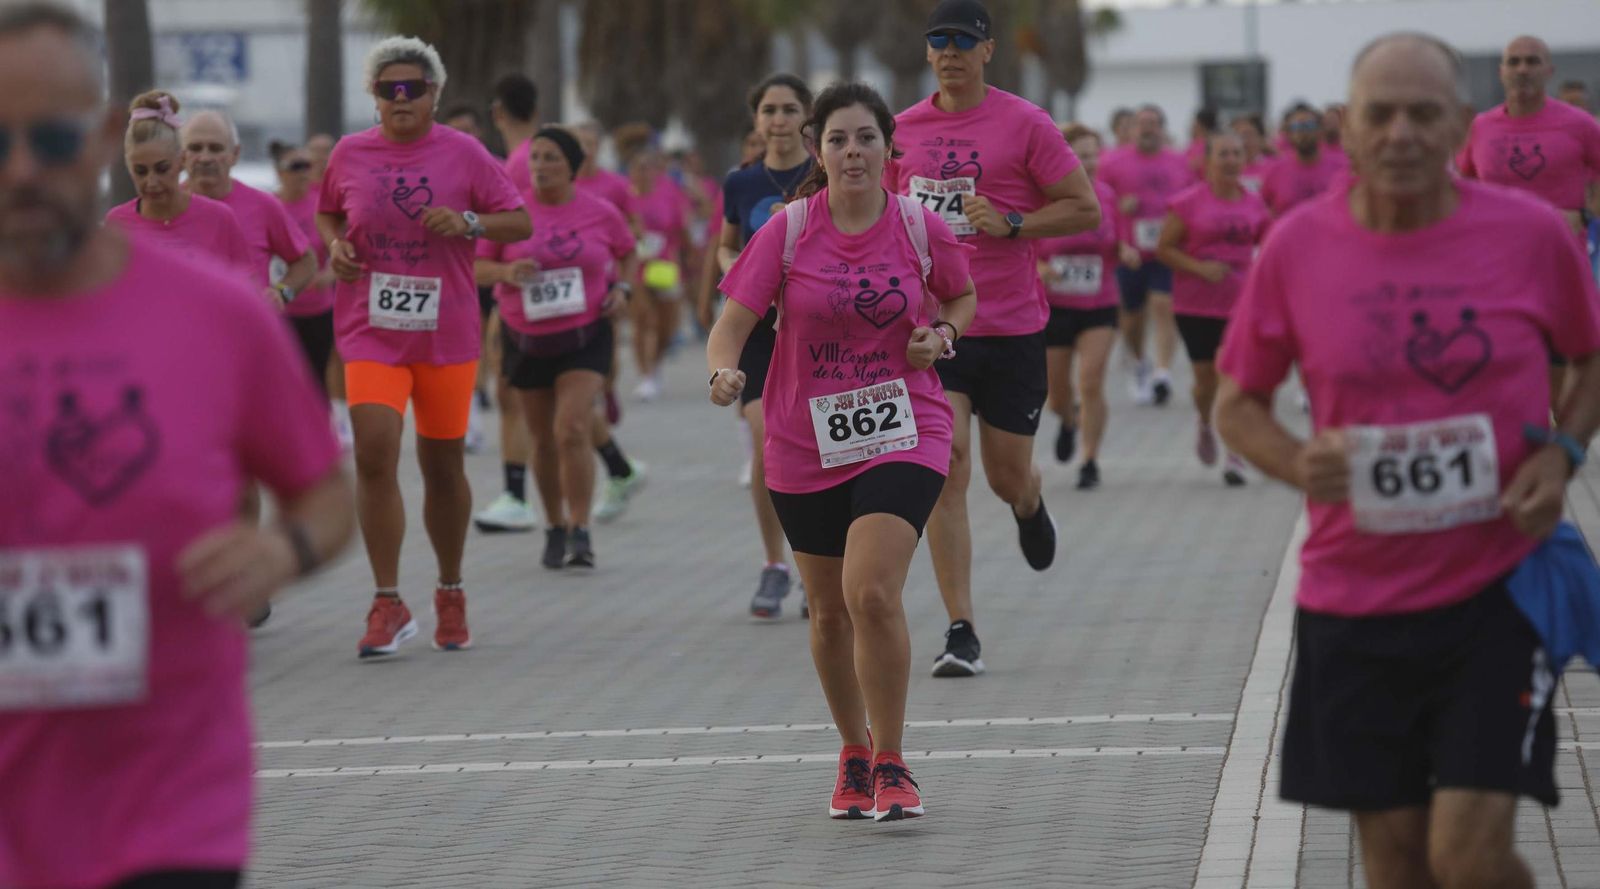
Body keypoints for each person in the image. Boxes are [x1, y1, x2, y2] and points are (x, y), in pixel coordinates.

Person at [1215, 32, 1600, 889]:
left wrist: (1565, 449)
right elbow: (1236, 405)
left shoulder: (1532, 234)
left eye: (1424, 114)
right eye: (1381, 114)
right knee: (1395, 863)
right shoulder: (1297, 248)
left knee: (1465, 858)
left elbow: (1589, 356)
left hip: (1500, 589)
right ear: (1349, 127)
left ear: (1460, 124)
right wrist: (1294, 460)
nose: (1401, 133)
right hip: (1354, 597)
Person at [0, 6, 355, 889]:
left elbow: (326, 490)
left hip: (170, 805)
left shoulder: (216, 314)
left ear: (103, 135)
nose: (21, 170)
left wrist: (284, 547)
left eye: (49, 137)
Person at [708, 81, 977, 821]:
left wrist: (942, 336)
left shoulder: (920, 226)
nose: (852, 151)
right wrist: (722, 371)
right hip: (805, 438)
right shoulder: (790, 230)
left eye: (865, 138)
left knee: (870, 591)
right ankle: (853, 753)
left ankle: (893, 759)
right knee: (827, 612)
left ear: (889, 148)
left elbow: (961, 296)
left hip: (904, 426)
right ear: (819, 153)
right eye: (838, 140)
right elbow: (730, 323)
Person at [888, 0, 1100, 676]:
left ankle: (1030, 504)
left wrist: (1013, 222)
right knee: (947, 466)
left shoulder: (1024, 123)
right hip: (935, 326)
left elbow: (1083, 206)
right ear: (926, 54)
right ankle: (960, 627)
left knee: (1008, 476)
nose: (949, 51)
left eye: (963, 40)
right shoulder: (901, 131)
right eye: (938, 41)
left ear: (987, 51)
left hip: (1010, 325)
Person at [315, 36, 530, 658]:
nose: (401, 99)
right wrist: (335, 246)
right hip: (370, 330)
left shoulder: (463, 153)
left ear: (434, 94)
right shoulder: (350, 153)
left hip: (446, 332)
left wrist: (469, 223)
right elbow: (329, 214)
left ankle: (450, 589)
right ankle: (387, 601)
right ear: (375, 98)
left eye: (413, 88)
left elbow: (518, 221)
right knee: (375, 452)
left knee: (443, 468)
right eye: (389, 90)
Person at [476, 127, 636, 570]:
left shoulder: (600, 212)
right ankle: (554, 526)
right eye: (536, 159)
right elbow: (475, 266)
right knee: (543, 440)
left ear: (572, 166)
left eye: (551, 159)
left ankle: (581, 529)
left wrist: (623, 288)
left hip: (585, 335)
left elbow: (627, 251)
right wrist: (506, 274)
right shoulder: (509, 213)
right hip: (525, 338)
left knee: (572, 428)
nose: (541, 167)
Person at [718, 72, 816, 619]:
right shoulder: (740, 181)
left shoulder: (823, 175)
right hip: (757, 331)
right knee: (765, 439)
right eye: (769, 110)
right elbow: (725, 245)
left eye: (788, 109)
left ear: (806, 118)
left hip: (812, 330)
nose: (778, 120)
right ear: (756, 120)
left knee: (819, 445)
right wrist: (740, 274)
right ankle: (774, 564)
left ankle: (815, 565)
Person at [1458, 36, 1600, 412]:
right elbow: (1460, 191)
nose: (1523, 70)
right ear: (1501, 71)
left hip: (1562, 270)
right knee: (1501, 381)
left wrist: (1585, 215)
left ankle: (1563, 457)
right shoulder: (1480, 128)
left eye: (1532, 62)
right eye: (1515, 62)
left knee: (1561, 391)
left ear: (1549, 71)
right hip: (1496, 273)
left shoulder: (1581, 125)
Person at [1154, 131, 1269, 487]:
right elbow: (1164, 249)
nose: (1232, 160)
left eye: (1237, 153)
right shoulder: (1187, 203)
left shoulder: (1254, 204)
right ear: (1208, 161)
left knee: (1232, 379)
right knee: (1205, 382)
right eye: (1224, 154)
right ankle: (1205, 423)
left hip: (1240, 307)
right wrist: (1200, 269)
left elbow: (1268, 247)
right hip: (1196, 306)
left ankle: (1235, 453)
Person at [473, 73, 545, 535]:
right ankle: (616, 465)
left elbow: (512, 222)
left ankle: (518, 496)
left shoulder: (515, 162)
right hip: (531, 281)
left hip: (521, 284)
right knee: (524, 394)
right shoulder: (539, 151)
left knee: (522, 394)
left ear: (497, 113)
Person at [1035, 123, 1125, 490]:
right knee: (1056, 397)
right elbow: (1023, 248)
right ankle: (1069, 420)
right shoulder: (1043, 197)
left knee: (1091, 380)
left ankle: (1090, 459)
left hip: (1099, 303)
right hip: (1055, 307)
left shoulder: (1107, 196)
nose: (1088, 162)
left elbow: (1117, 242)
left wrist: (1127, 252)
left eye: (1093, 154)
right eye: (1080, 155)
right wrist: (1039, 268)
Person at [1100, 103, 1191, 406]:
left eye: (1154, 123)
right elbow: (1098, 199)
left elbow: (1193, 200)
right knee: (1132, 316)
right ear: (1133, 129)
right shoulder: (1112, 163)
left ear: (1162, 129)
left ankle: (1163, 372)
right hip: (1130, 253)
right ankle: (1140, 363)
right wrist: (1118, 207)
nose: (1148, 128)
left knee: (1164, 306)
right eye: (1143, 123)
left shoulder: (1179, 163)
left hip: (1167, 251)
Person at [181, 111, 317, 314]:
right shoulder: (164, 206)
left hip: (244, 333)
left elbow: (306, 262)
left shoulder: (263, 205)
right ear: (181, 156)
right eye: (195, 148)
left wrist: (281, 293)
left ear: (235, 154)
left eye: (216, 148)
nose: (205, 157)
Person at [106, 91, 251, 272]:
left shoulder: (220, 219)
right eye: (140, 171)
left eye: (162, 169)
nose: (151, 182)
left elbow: (247, 287)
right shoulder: (117, 223)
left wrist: (282, 292)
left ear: (182, 161)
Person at [272, 141, 338, 392]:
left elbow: (344, 244)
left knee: (318, 382)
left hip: (318, 310)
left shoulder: (321, 204)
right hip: (281, 312)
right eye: (295, 166)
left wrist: (329, 274)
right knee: (283, 382)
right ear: (279, 172)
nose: (303, 172)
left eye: (306, 165)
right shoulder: (268, 205)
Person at [628, 141, 691, 402]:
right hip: (636, 266)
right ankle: (646, 375)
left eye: (650, 167)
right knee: (644, 321)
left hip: (664, 264)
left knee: (666, 324)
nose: (645, 172)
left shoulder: (669, 193)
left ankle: (656, 365)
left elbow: (681, 228)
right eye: (640, 168)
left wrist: (688, 259)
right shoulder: (626, 196)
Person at [1260, 102, 1350, 219]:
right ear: (1288, 134)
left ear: (1320, 130)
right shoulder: (1274, 171)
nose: (1303, 132)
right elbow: (1264, 211)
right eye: (1296, 127)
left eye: (1309, 126)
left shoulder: (1341, 169)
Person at [1230, 113, 1271, 193]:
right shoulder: (1228, 167)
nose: (1244, 140)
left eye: (1248, 135)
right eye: (1238, 135)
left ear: (1261, 138)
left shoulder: (1273, 167)